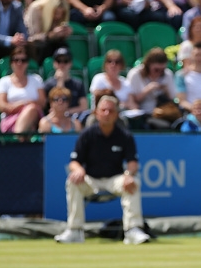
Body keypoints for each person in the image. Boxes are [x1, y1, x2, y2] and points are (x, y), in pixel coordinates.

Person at [54, 94, 151, 244]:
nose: (107, 114)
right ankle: (75, 230)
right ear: (96, 113)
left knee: (134, 182)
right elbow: (74, 161)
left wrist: (128, 175)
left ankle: (132, 230)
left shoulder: (124, 135)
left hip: (115, 179)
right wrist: (79, 170)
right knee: (72, 181)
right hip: (91, 179)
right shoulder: (87, 134)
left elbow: (133, 163)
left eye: (110, 111)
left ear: (117, 114)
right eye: (103, 110)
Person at [0, 46, 46, 134]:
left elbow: (42, 102)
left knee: (32, 109)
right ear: (11, 63)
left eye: (23, 60)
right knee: (31, 108)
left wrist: (23, 106)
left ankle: (19, 140)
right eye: (16, 60)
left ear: (27, 63)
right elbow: (2, 106)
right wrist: (22, 105)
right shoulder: (4, 82)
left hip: (35, 120)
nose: (19, 63)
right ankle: (20, 138)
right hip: (10, 120)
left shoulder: (36, 79)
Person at [127, 47, 179, 129]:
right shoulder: (135, 74)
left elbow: (172, 98)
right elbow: (132, 100)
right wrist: (148, 89)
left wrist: (165, 90)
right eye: (156, 70)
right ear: (148, 65)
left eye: (162, 70)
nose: (159, 73)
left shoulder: (167, 74)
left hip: (163, 114)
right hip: (143, 115)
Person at [24, 0, 72, 64]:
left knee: (63, 46)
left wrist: (64, 33)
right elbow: (32, 37)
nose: (58, 17)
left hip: (50, 41)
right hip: (35, 45)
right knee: (44, 46)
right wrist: (51, 35)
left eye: (60, 14)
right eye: (55, 13)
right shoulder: (36, 9)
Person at [43, 47, 88, 118]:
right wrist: (60, 81)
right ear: (54, 63)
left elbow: (84, 107)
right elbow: (54, 104)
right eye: (59, 61)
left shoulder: (78, 84)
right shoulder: (48, 84)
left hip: (74, 117)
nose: (62, 64)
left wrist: (66, 112)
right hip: (54, 119)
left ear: (70, 63)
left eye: (65, 61)